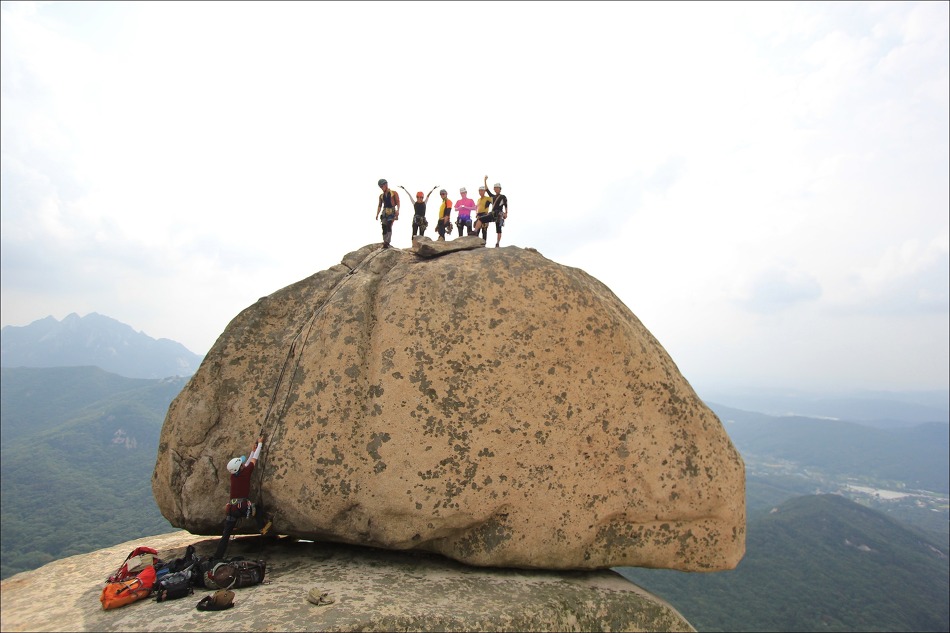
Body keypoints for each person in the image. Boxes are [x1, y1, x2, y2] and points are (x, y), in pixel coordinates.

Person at [214, 435, 265, 560]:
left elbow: (246, 463)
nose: (243, 464)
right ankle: (262, 528)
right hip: (242, 507)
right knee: (257, 509)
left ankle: (217, 556)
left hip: (232, 508)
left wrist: (252, 450)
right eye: (241, 464)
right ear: (240, 468)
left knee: (226, 534)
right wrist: (260, 445)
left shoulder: (234, 475)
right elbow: (254, 460)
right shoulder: (246, 473)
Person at [483, 175, 508, 247]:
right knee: (483, 220)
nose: (496, 189)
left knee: (499, 229)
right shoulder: (493, 196)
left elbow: (506, 205)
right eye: (495, 188)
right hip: (493, 213)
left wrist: (506, 213)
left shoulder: (503, 197)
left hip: (499, 214)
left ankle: (498, 243)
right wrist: (485, 180)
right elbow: (486, 189)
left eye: (497, 188)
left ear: (500, 189)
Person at [375, 179, 400, 248]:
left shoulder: (393, 193)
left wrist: (398, 210)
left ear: (386, 185)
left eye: (382, 186)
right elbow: (380, 205)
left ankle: (387, 241)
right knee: (384, 226)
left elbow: (398, 202)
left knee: (389, 225)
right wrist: (377, 214)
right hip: (385, 212)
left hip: (391, 211)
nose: (381, 188)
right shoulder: (381, 196)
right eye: (380, 187)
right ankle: (385, 241)